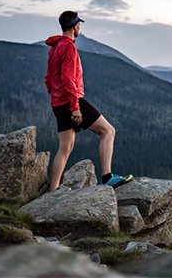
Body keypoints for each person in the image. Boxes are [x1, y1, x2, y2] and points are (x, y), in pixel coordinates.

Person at [45, 10, 133, 191]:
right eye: (78, 24)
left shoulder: (54, 48)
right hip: (71, 101)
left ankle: (53, 190)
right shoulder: (68, 47)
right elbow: (69, 80)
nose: (79, 27)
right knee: (108, 131)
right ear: (73, 26)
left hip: (58, 103)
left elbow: (48, 78)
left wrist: (56, 96)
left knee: (65, 147)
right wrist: (75, 106)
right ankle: (107, 177)